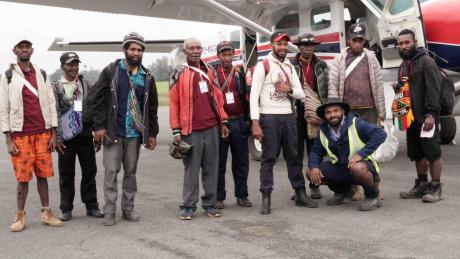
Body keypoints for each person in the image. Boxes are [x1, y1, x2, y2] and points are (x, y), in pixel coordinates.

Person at [91, 32, 159, 226]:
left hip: (134, 134)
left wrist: (152, 133)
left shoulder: (147, 76)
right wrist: (99, 126)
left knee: (131, 172)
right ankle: (110, 211)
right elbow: (97, 99)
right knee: (111, 172)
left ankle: (127, 209)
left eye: (139, 49)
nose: (136, 52)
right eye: (132, 48)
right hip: (113, 131)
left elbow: (152, 107)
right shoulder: (111, 71)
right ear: (125, 50)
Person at [250, 32, 318, 215]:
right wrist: (255, 123)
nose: (282, 47)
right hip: (269, 117)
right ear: (272, 44)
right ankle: (266, 197)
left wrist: (288, 89)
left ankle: (300, 193)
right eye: (279, 44)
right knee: (268, 159)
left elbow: (301, 93)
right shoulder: (262, 66)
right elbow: (253, 97)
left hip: (288, 116)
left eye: (285, 44)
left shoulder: (289, 66)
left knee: (294, 157)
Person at [0, 38, 63, 232]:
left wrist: (53, 134)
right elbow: (4, 109)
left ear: (32, 51)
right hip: (20, 136)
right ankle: (20, 217)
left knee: (43, 176)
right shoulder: (9, 76)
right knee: (23, 179)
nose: (24, 50)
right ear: (15, 50)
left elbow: (51, 104)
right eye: (21, 47)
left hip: (42, 134)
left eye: (27, 47)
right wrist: (8, 139)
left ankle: (46, 213)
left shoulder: (41, 73)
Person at [169, 38, 230, 220]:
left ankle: (210, 205)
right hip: (190, 129)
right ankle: (188, 206)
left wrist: (223, 121)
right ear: (185, 51)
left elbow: (218, 97)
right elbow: (174, 102)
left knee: (212, 168)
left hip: (211, 127)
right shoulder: (178, 72)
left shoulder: (210, 71)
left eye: (198, 48)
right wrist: (176, 130)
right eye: (191, 48)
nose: (196, 51)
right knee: (192, 170)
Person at [328, 23, 386, 200]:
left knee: (370, 151)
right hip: (348, 112)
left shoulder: (371, 58)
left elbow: (378, 85)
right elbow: (333, 85)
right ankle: (353, 188)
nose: (358, 43)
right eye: (355, 40)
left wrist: (381, 113)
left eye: (361, 40)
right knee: (347, 150)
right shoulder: (340, 59)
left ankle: (373, 185)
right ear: (349, 39)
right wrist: (335, 112)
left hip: (369, 109)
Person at [307, 98, 386, 211]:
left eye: (336, 110)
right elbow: (315, 151)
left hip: (362, 166)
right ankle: (343, 191)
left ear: (343, 112)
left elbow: (380, 134)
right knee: (310, 172)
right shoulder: (323, 130)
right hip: (341, 168)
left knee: (357, 167)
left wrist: (361, 154)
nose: (332, 115)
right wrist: (314, 166)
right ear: (324, 116)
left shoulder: (356, 123)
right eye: (328, 112)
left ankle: (372, 196)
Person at [52, 52, 104, 221]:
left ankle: (92, 206)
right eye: (70, 64)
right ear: (62, 67)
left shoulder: (85, 84)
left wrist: (96, 130)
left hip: (84, 135)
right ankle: (66, 208)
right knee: (66, 174)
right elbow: (55, 113)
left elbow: (95, 107)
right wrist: (57, 137)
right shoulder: (56, 86)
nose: (73, 67)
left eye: (76, 64)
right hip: (65, 139)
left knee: (89, 172)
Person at [394, 29, 443, 203]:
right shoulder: (404, 64)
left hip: (426, 118)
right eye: (400, 43)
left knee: (432, 153)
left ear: (415, 42)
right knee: (417, 153)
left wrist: (431, 114)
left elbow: (433, 89)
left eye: (407, 42)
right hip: (411, 118)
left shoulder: (426, 62)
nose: (404, 46)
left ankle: (436, 188)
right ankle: (422, 185)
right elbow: (407, 88)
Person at [214, 41, 252, 209]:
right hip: (220, 123)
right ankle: (218, 197)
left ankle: (242, 195)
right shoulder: (212, 74)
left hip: (239, 121)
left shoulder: (239, 74)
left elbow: (247, 97)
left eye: (230, 54)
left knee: (241, 161)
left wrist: (248, 121)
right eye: (224, 54)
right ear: (218, 56)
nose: (227, 58)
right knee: (219, 162)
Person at [292, 33, 329, 200]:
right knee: (296, 153)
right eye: (304, 45)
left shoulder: (322, 65)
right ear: (299, 47)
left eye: (310, 45)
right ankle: (298, 188)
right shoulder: (290, 65)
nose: (307, 48)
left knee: (315, 151)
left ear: (314, 47)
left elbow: (327, 91)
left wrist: (326, 112)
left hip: (316, 112)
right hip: (295, 112)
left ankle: (315, 186)